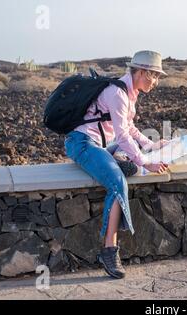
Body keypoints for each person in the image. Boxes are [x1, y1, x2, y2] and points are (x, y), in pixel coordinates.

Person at [64, 50, 169, 279]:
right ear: (141, 72)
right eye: (154, 75)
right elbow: (122, 136)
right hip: (82, 144)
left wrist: (150, 145)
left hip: (101, 145)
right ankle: (109, 250)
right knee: (117, 181)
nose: (156, 81)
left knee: (130, 150)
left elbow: (130, 128)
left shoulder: (129, 92)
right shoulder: (117, 93)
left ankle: (120, 159)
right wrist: (145, 163)